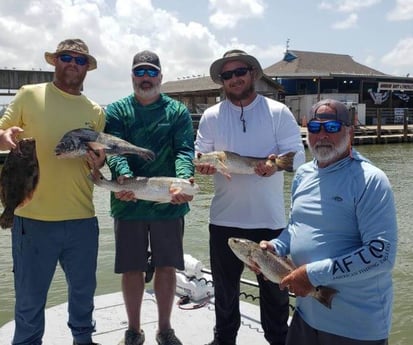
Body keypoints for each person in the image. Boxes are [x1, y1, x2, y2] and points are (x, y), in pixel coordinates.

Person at [258, 99, 398, 345]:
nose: (322, 135)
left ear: (350, 130)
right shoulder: (303, 174)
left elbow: (381, 255)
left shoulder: (371, 180)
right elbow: (296, 226)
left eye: (332, 127)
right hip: (305, 315)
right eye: (314, 127)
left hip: (355, 327)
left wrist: (312, 274)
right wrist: (276, 247)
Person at [194, 49, 305, 345]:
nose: (234, 79)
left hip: (270, 222)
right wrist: (202, 166)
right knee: (225, 291)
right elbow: (199, 154)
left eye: (240, 72)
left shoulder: (278, 112)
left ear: (253, 74)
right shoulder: (210, 116)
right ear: (222, 81)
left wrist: (273, 165)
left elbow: (298, 157)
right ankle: (224, 340)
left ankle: (279, 341)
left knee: (275, 293)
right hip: (224, 219)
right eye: (227, 75)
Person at [0, 39, 105, 345]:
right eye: (66, 57)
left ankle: (83, 341)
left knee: (84, 296)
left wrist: (100, 160)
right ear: (55, 61)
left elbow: (97, 165)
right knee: (30, 301)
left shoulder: (95, 111)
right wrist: (3, 136)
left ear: (88, 68)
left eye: (80, 60)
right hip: (32, 221)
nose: (73, 63)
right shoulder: (28, 94)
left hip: (83, 220)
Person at [104, 50, 195, 345]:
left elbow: (184, 150)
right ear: (132, 76)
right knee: (132, 268)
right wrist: (122, 178)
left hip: (168, 202)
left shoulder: (177, 112)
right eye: (140, 72)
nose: (146, 78)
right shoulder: (116, 110)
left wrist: (184, 180)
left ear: (160, 76)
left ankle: (164, 329)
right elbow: (114, 150)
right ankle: (133, 329)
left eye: (151, 72)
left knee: (167, 266)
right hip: (127, 200)